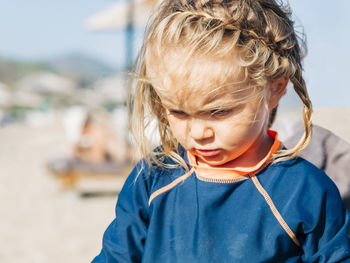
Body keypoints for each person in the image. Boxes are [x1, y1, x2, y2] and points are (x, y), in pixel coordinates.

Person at [92, 0, 350, 262]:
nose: (198, 133)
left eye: (219, 112)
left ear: (275, 88)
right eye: (179, 112)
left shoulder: (304, 191)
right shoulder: (153, 177)